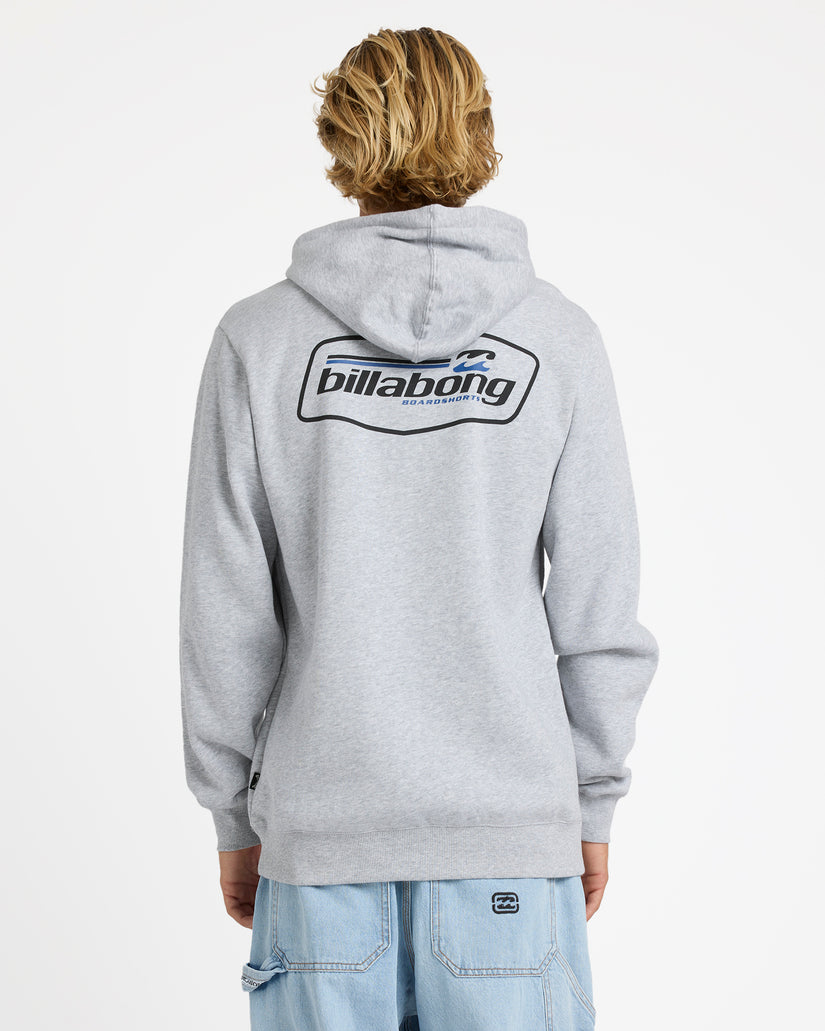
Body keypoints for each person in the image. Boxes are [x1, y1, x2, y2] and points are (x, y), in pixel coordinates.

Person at [179, 26, 659, 1031]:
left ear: (339, 138)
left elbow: (225, 610)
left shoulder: (259, 341)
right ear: (480, 135)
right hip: (510, 845)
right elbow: (599, 604)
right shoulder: (556, 340)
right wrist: (590, 798)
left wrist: (233, 813)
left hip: (322, 843)